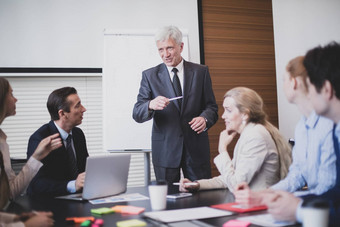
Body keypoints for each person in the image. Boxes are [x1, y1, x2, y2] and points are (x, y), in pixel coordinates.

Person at [234, 56, 336, 207]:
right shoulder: (302, 126)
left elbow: (328, 188)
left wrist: (293, 204)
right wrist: (265, 194)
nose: (282, 85)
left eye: (284, 79)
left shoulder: (329, 125)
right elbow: (297, 175)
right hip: (314, 206)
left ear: (294, 82)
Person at [259, 42, 340, 227]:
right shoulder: (325, 129)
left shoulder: (332, 128)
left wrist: (299, 208)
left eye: (310, 87)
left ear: (326, 89)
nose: (309, 94)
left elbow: (329, 188)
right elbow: (335, 191)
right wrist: (276, 196)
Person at [132, 26, 218, 185]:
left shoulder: (201, 72)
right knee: (166, 202)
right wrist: (150, 104)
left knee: (201, 200)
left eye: (170, 48)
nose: (165, 54)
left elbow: (212, 107)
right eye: (161, 50)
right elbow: (137, 112)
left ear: (181, 46)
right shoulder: (149, 76)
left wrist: (205, 119)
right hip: (165, 151)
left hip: (196, 150)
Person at [180, 87, 292, 193]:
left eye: (228, 110)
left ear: (244, 114)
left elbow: (236, 185)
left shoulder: (255, 136)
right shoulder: (248, 134)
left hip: (261, 206)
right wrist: (197, 184)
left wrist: (222, 150)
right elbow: (229, 177)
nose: (223, 116)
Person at [0, 77, 61, 227]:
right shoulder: (39, 135)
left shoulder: (2, 142)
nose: (16, 99)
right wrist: (24, 224)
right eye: (11, 94)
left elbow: (11, 192)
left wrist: (37, 157)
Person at [26, 87, 89, 196]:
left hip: (77, 198)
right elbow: (36, 184)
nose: (84, 109)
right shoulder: (40, 139)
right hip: (48, 204)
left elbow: (85, 170)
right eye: (78, 106)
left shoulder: (78, 134)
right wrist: (73, 185)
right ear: (63, 114)